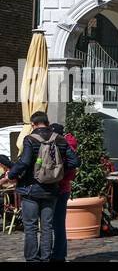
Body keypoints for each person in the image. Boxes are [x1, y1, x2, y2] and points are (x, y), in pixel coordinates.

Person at [7, 112, 80, 261]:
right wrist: (58, 171)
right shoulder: (59, 139)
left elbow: (25, 162)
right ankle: (46, 258)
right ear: (47, 122)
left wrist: (11, 175)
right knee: (47, 228)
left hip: (31, 189)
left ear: (33, 124)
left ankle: (33, 259)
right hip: (52, 190)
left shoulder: (30, 139)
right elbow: (75, 161)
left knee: (31, 227)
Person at [51, 124, 78, 261]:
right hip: (64, 188)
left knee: (53, 224)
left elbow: (71, 166)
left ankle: (57, 255)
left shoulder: (62, 146)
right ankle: (60, 254)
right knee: (59, 224)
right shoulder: (69, 146)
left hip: (58, 188)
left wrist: (56, 176)